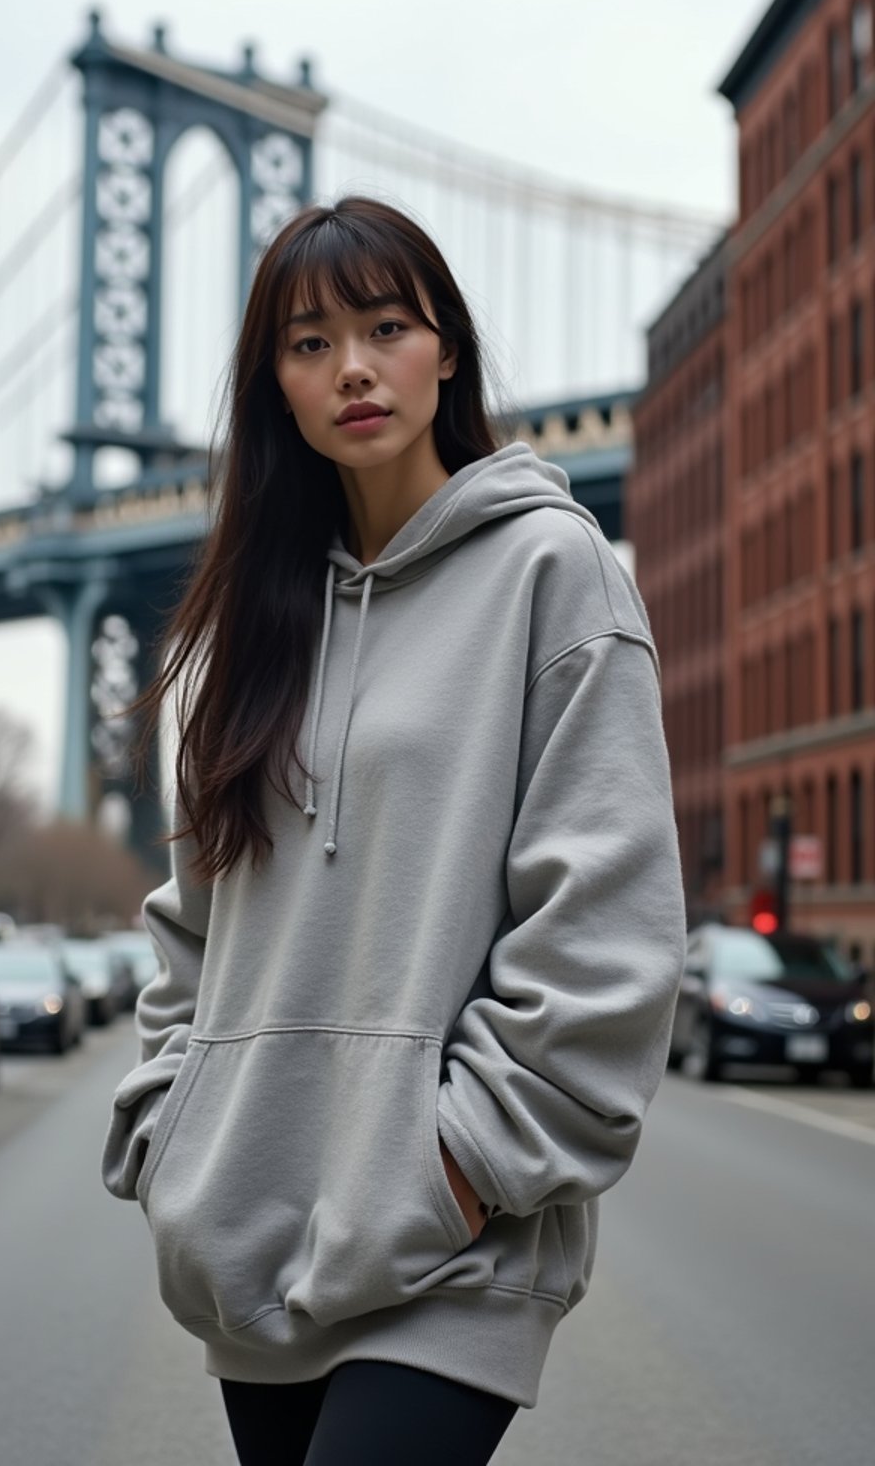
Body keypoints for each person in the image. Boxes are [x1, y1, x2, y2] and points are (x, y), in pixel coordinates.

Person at [101, 195, 687, 1465]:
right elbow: (192, 926)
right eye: (309, 344)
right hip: (248, 1227)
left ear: (447, 350)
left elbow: (605, 918)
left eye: (385, 327)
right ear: (277, 388)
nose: (353, 368)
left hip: (450, 1251)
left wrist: (456, 1168)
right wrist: (173, 1129)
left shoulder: (555, 572)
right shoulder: (231, 635)